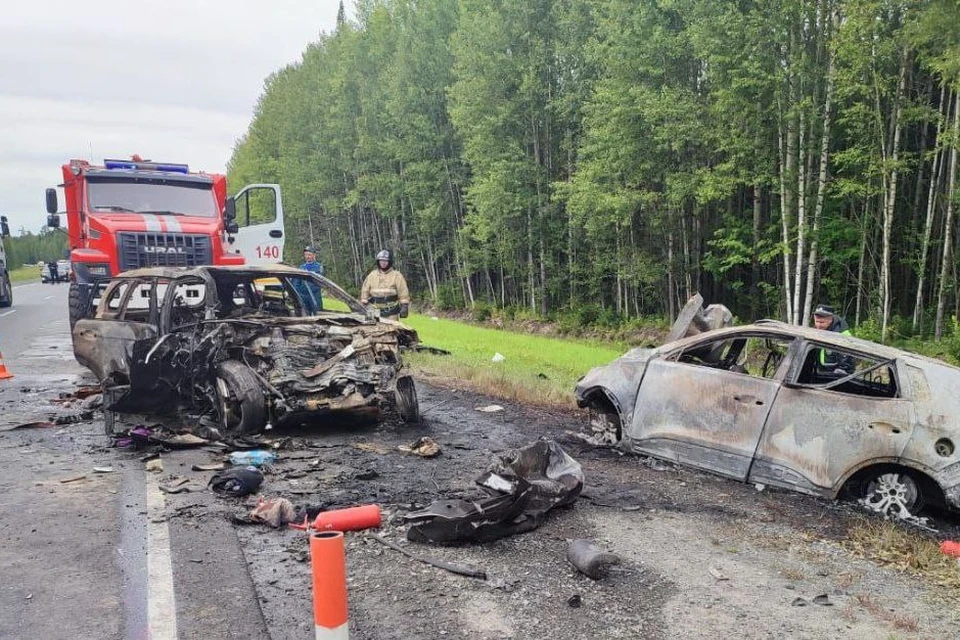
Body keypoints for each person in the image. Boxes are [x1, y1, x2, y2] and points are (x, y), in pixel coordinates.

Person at [360, 249, 410, 319]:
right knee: (372, 329)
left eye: (385, 261)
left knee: (392, 329)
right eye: (381, 260)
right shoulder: (372, 275)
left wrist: (404, 306)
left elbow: (403, 292)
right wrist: (364, 302)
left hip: (391, 312)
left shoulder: (397, 276)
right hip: (373, 310)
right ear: (378, 262)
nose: (383, 263)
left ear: (389, 262)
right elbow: (365, 290)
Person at [812, 304, 854, 375]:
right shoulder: (815, 330)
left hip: (838, 372)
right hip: (821, 369)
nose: (818, 325)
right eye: (817, 321)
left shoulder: (842, 333)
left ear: (830, 319)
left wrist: (841, 370)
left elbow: (847, 358)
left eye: (822, 322)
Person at [294, 246, 324, 314]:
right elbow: (297, 282)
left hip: (314, 295)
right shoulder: (301, 267)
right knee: (305, 315)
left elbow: (319, 281)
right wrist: (298, 292)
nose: (307, 256)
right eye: (306, 255)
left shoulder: (319, 267)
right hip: (303, 296)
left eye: (309, 255)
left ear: (314, 255)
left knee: (319, 315)